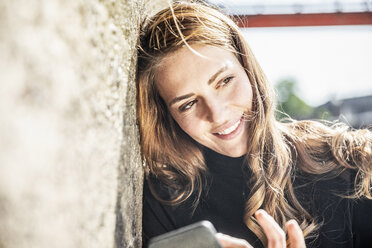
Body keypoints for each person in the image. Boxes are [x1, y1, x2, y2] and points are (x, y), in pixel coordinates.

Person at [136, 1, 372, 247]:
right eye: (188, 104)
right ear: (166, 116)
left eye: (225, 81)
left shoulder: (355, 164)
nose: (217, 115)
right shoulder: (163, 204)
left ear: (247, 67)